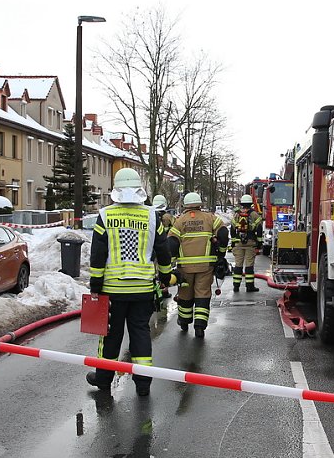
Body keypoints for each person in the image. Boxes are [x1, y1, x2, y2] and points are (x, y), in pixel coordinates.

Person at [86, 168, 172, 397]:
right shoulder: (152, 215)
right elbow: (163, 251)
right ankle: (143, 383)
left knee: (110, 335)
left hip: (112, 289)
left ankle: (104, 379)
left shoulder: (105, 215)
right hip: (142, 289)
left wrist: (95, 286)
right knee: (140, 333)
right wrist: (165, 277)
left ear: (116, 189)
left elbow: (98, 254)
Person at [166, 192, 229, 339]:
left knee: (185, 294)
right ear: (200, 204)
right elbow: (223, 233)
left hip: (185, 267)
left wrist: (173, 263)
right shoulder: (210, 218)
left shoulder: (180, 221)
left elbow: (172, 243)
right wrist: (221, 254)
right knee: (203, 293)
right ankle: (200, 327)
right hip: (205, 266)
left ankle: (184, 321)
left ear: (185, 205)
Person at [230, 194, 263, 292]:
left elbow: (232, 229)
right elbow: (259, 229)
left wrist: (233, 242)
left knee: (238, 264)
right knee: (249, 265)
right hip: (250, 243)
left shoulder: (237, 214)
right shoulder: (254, 214)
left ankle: (236, 286)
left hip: (238, 243)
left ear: (242, 204)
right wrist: (259, 243)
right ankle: (249, 286)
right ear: (250, 204)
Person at [151, 194, 175, 309]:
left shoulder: (151, 215)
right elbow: (175, 228)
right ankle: (164, 289)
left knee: (154, 270)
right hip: (164, 246)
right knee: (164, 268)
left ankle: (155, 290)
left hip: (152, 247)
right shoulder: (168, 216)